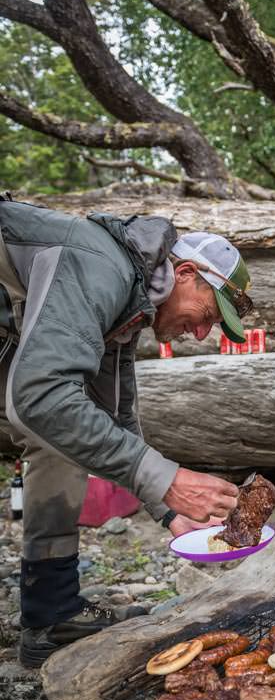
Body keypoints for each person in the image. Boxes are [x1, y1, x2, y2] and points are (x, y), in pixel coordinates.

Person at [0, 195, 253, 666]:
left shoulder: (132, 301)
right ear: (184, 275)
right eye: (209, 315)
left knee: (62, 440)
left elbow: (111, 414)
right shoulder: (102, 267)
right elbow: (40, 395)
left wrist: (167, 510)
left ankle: (51, 613)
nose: (201, 334)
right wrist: (169, 480)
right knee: (52, 415)